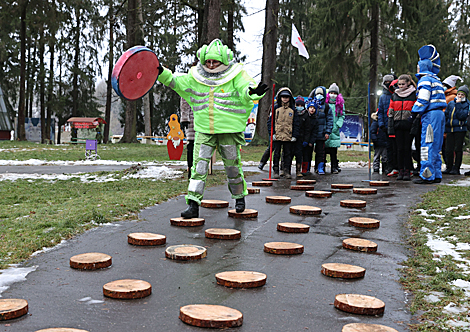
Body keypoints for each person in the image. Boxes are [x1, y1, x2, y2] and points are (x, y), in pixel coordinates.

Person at [157, 39, 268, 217]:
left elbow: (245, 87)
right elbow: (175, 81)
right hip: (204, 130)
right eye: (207, 61)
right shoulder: (195, 77)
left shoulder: (236, 74)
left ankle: (239, 197)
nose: (210, 65)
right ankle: (193, 204)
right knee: (198, 167)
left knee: (232, 166)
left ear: (224, 61)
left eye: (214, 61)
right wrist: (160, 72)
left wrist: (253, 92)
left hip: (228, 130)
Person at [411, 44, 447, 184]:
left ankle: (426, 175)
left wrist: (414, 112)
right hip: (440, 114)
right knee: (436, 145)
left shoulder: (425, 80)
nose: (417, 68)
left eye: (418, 65)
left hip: (430, 115)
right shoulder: (436, 79)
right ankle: (436, 174)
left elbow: (423, 99)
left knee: (427, 144)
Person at [388, 74, 416, 181]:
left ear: (408, 83)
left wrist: (413, 125)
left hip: (408, 125)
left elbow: (416, 111)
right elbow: (391, 112)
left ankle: (408, 170)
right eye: (399, 84)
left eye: (403, 84)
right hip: (397, 125)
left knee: (407, 149)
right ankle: (400, 170)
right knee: (399, 149)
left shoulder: (413, 94)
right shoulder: (394, 96)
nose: (400, 86)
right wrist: (390, 127)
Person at [267, 88, 300, 179]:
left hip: (288, 136)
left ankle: (286, 170)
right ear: (280, 98)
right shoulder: (275, 108)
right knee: (276, 154)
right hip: (277, 135)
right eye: (283, 97)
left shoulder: (293, 109)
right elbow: (270, 122)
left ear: (290, 98)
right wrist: (272, 133)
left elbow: (296, 123)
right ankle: (276, 170)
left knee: (287, 154)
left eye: (287, 97)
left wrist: (294, 136)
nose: (285, 99)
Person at [443, 85, 469, 175]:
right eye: (459, 94)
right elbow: (446, 114)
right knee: (448, 149)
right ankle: (449, 166)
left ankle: (456, 168)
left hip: (460, 129)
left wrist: (458, 105)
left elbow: (462, 116)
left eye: (462, 94)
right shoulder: (451, 103)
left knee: (458, 149)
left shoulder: (466, 104)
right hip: (450, 128)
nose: (460, 96)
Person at [308, 86, 333, 174]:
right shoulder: (310, 105)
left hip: (321, 133)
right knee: (308, 151)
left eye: (321, 94)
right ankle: (306, 167)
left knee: (321, 152)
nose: (319, 95)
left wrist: (327, 132)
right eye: (317, 94)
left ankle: (320, 167)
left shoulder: (326, 107)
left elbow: (330, 120)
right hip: (311, 134)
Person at [377, 74, 397, 175]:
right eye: (386, 82)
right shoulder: (382, 97)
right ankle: (389, 166)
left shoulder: (396, 95)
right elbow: (380, 111)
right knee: (388, 148)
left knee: (396, 147)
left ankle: (397, 166)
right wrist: (381, 124)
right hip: (385, 126)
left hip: (396, 125)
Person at [324, 83, 345, 174]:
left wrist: (338, 125)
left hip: (335, 130)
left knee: (333, 151)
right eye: (331, 92)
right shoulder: (325, 103)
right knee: (323, 151)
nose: (333, 94)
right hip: (325, 129)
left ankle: (334, 167)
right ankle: (322, 166)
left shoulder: (340, 104)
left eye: (335, 93)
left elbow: (342, 115)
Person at [301, 99, 320, 174]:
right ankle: (301, 168)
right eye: (310, 107)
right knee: (301, 154)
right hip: (302, 139)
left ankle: (306, 168)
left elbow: (315, 132)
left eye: (314, 108)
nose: (312, 109)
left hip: (310, 140)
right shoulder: (304, 117)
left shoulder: (315, 120)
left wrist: (311, 141)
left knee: (308, 155)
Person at [180, 97, 194, 179]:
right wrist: (185, 118)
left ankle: (198, 169)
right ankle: (190, 168)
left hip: (202, 118)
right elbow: (184, 103)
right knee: (191, 145)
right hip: (191, 119)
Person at [294, 96, 308, 177]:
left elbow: (307, 128)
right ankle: (285, 169)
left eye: (301, 105)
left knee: (299, 154)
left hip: (301, 138)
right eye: (298, 105)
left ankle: (298, 170)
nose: (299, 107)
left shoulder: (305, 115)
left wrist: (305, 139)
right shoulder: (293, 113)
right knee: (288, 154)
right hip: (291, 137)